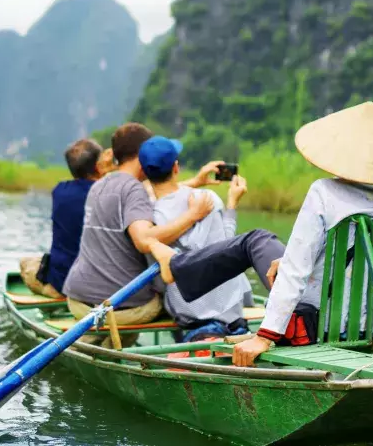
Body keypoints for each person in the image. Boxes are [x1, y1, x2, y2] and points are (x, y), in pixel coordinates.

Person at [153, 102, 373, 367]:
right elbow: (367, 262)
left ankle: (174, 268)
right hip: (370, 325)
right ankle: (176, 267)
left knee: (255, 240)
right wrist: (301, 261)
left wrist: (265, 336)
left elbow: (295, 272)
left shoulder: (324, 192)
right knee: (268, 249)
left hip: (315, 324)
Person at [61, 122, 225, 347]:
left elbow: (144, 194)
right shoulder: (134, 190)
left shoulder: (101, 184)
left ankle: (99, 344)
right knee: (173, 297)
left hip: (78, 299)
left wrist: (195, 182)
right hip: (119, 308)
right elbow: (143, 239)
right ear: (142, 154)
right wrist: (193, 215)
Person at [139, 136, 266, 342]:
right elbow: (228, 248)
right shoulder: (206, 199)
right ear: (176, 167)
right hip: (230, 313)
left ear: (144, 173)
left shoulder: (145, 217)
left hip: (189, 316)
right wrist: (232, 204)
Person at [19, 139, 105, 298]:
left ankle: (53, 291)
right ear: (98, 166)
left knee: (26, 263)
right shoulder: (107, 193)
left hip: (62, 279)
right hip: (98, 282)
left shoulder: (59, 191)